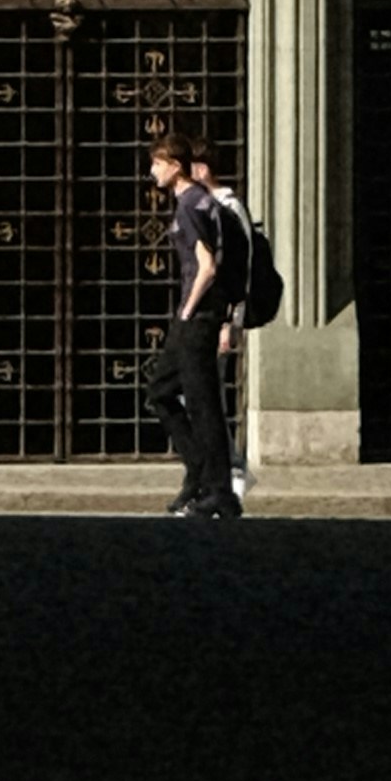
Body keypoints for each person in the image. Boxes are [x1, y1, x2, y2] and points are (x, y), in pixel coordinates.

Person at [145, 119, 241, 529]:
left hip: (197, 317)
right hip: (200, 316)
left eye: (157, 164)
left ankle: (217, 489)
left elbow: (206, 265)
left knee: (202, 406)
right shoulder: (204, 201)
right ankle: (201, 472)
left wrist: (188, 310)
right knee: (162, 391)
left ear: (175, 166)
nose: (152, 172)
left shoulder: (189, 205)